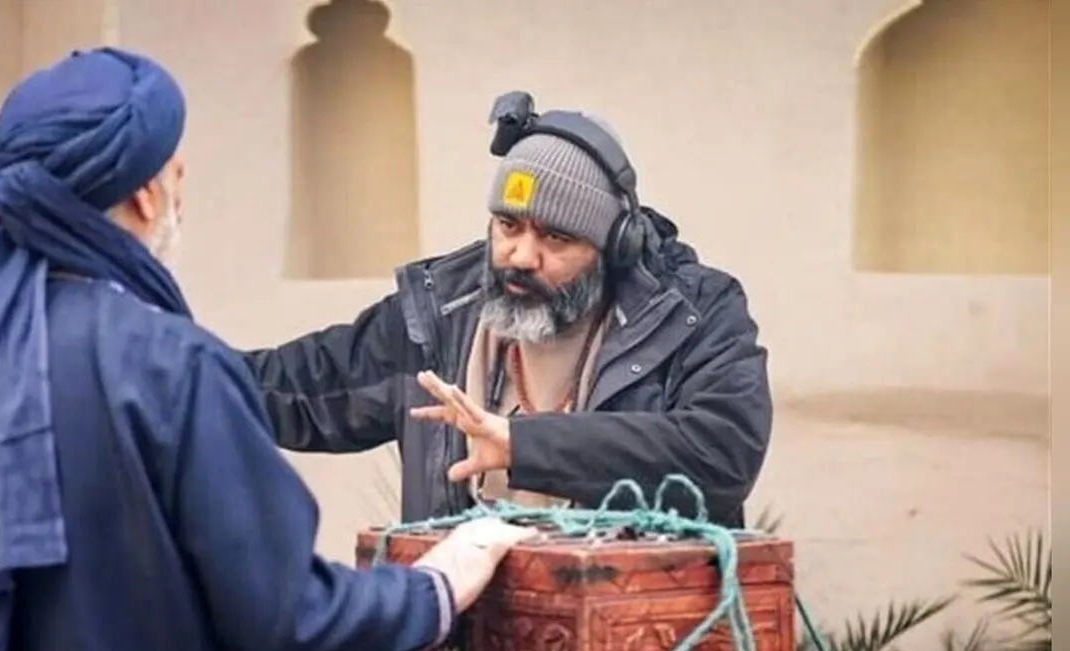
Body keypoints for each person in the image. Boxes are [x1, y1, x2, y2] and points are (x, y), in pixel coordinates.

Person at [0, 48, 533, 651]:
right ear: (149, 196)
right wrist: (439, 584)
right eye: (176, 168)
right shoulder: (172, 368)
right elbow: (285, 616)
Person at [245, 91, 772, 526]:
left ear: (613, 248)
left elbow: (720, 454)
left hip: (640, 637)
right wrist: (175, 370)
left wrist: (525, 445)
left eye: (556, 237)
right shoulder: (438, 314)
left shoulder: (695, 314)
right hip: (466, 640)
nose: (520, 256)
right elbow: (302, 387)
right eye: (508, 225)